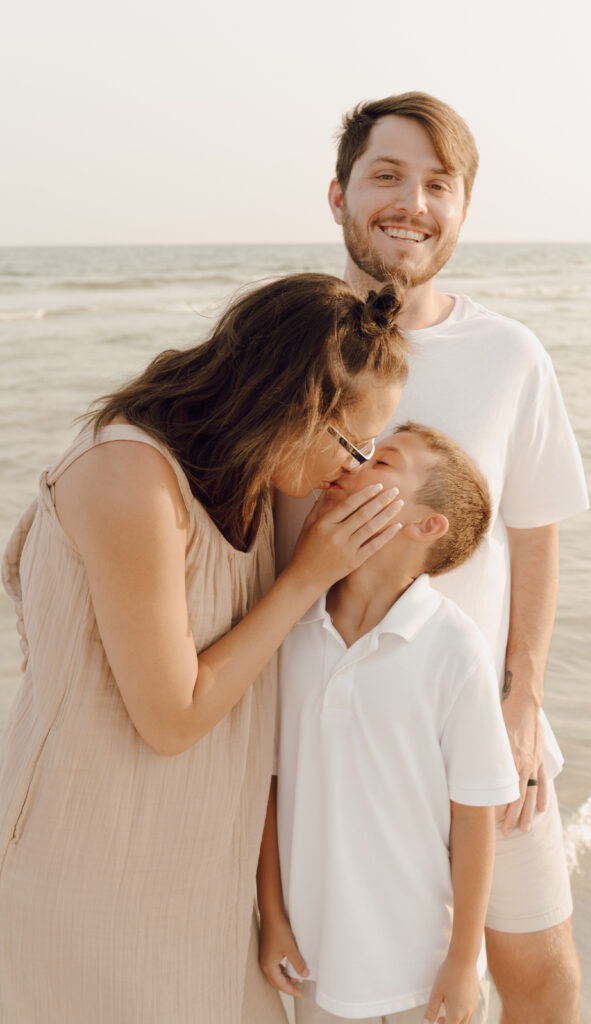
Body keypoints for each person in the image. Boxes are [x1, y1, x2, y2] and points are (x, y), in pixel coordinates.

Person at [0, 274, 409, 1023]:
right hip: (87, 862)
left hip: (194, 874)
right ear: (290, 407)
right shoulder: (132, 473)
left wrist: (267, 905)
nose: (355, 467)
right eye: (351, 443)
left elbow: (244, 717)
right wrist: (303, 578)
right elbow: (174, 718)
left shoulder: (243, 478)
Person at [275, 95, 589, 1024]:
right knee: (351, 989)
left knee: (538, 974)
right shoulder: (288, 348)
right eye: (386, 175)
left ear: (459, 211)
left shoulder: (509, 355)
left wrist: (521, 702)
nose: (411, 201)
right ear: (337, 194)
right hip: (331, 737)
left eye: (437, 185)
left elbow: (534, 533)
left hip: (481, 725)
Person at [259, 424, 521, 1024]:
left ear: (426, 525)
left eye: (383, 462)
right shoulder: (290, 628)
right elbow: (268, 785)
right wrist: (271, 918)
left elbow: (475, 816)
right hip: (317, 965)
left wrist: (463, 959)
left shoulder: (454, 649)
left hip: (422, 973)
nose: (354, 462)